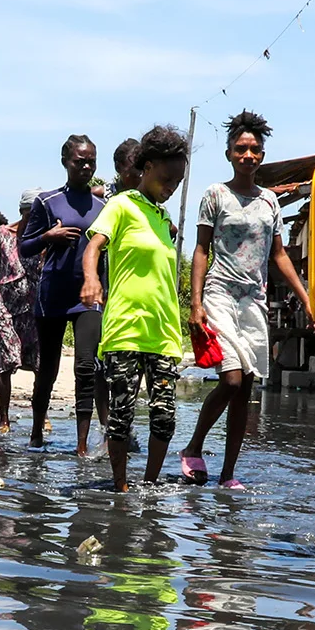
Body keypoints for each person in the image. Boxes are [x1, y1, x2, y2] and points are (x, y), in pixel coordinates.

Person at [181, 110, 314, 488]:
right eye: (241, 149)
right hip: (220, 295)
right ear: (229, 153)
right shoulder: (215, 194)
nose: (248, 155)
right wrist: (196, 302)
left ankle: (227, 474)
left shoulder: (270, 202)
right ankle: (193, 447)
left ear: (262, 155)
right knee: (233, 379)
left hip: (254, 301)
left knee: (247, 391)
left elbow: (279, 256)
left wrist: (305, 298)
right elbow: (201, 249)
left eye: (255, 149)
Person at [80, 125, 187, 492]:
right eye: (167, 178)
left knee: (165, 418)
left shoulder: (162, 219)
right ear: (148, 165)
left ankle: (150, 488)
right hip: (125, 328)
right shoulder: (121, 205)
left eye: (178, 181)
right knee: (122, 415)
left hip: (163, 331)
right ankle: (121, 488)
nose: (171, 186)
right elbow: (94, 246)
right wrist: (91, 280)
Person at [21, 135, 108, 454]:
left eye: (91, 161)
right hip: (53, 293)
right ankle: (36, 433)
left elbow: (107, 254)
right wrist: (48, 235)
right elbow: (24, 247)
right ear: (65, 162)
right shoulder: (47, 201)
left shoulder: (103, 207)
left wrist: (104, 289)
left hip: (88, 297)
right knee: (48, 369)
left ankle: (82, 445)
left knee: (87, 366)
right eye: (79, 161)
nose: (86, 167)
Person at [0, 199, 40, 433]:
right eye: (28, 213)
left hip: (35, 308)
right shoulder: (3, 234)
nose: (31, 218)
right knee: (4, 363)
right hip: (6, 307)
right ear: (21, 212)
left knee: (39, 365)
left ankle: (40, 418)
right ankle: (4, 420)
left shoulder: (45, 235)